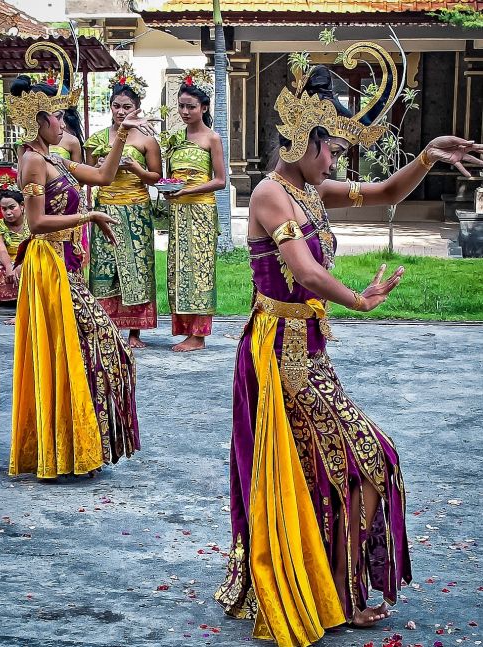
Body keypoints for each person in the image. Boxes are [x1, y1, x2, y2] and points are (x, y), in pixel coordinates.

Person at [215, 42, 483, 644]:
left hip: (309, 349)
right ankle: (328, 589)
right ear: (304, 142)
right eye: (332, 147)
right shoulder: (269, 194)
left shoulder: (313, 191)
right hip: (279, 351)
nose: (337, 159)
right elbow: (306, 274)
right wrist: (358, 299)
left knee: (338, 466)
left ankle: (335, 587)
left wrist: (427, 156)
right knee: (364, 461)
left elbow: (386, 193)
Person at [5, 41, 153, 480]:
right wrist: (87, 214)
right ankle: (65, 445)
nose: (64, 124)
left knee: (86, 352)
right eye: (57, 116)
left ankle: (75, 443)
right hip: (49, 268)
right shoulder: (32, 162)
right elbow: (34, 224)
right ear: (39, 120)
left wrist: (124, 132)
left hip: (67, 267)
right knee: (100, 348)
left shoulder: (54, 158)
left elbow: (106, 176)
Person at [85, 62, 162, 349]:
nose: (120, 111)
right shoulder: (97, 139)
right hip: (106, 207)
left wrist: (136, 170)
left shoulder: (147, 140)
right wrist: (102, 167)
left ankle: (134, 332)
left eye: (126, 106)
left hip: (136, 210)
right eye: (116, 105)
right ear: (110, 107)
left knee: (137, 268)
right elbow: (87, 174)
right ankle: (106, 326)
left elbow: (156, 177)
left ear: (137, 108)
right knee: (105, 269)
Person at [164, 69, 226, 352]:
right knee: (180, 269)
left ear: (203, 107)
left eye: (191, 106)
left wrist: (188, 190)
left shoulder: (212, 138)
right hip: (178, 212)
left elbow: (220, 180)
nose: (185, 111)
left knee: (200, 270)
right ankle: (186, 328)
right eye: (181, 106)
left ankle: (199, 335)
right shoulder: (175, 139)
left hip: (200, 211)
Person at [0, 176, 28, 314]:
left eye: (12, 207)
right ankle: (3, 299)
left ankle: (14, 301)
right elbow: (2, 251)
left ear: (22, 205)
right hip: (7, 261)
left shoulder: (32, 222)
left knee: (29, 268)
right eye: (4, 209)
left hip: (28, 259)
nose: (8, 212)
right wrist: (9, 267)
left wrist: (20, 265)